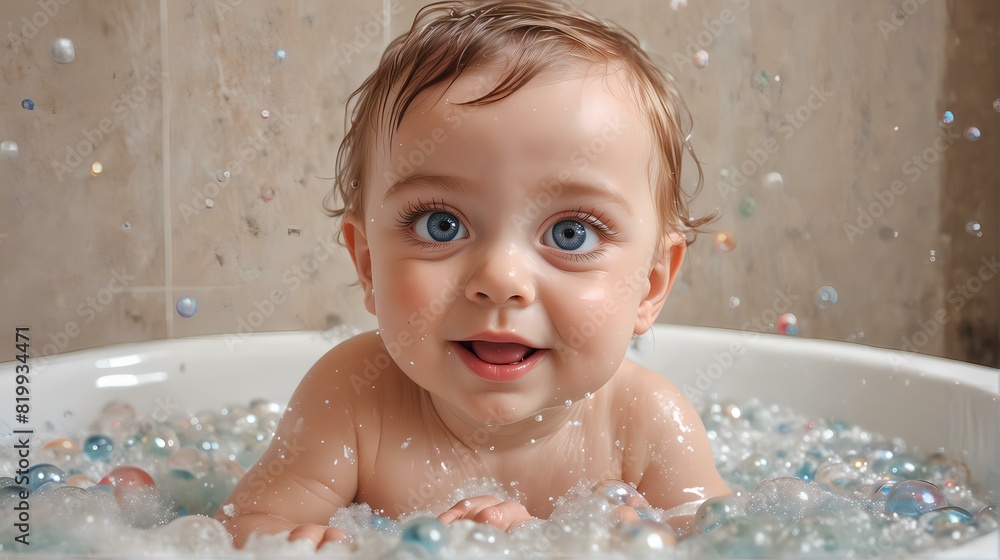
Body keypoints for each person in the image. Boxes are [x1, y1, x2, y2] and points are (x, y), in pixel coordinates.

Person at [215, 0, 730, 549]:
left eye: (571, 233)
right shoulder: (353, 398)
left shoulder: (647, 421)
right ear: (368, 264)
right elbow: (240, 530)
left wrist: (639, 540)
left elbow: (725, 539)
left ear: (650, 285)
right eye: (441, 225)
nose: (501, 279)